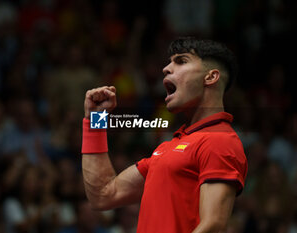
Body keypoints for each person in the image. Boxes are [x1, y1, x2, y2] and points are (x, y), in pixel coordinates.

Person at [81, 37, 248, 233]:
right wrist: (96, 121)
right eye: (169, 62)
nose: (166, 68)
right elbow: (104, 195)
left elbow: (213, 226)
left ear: (210, 77)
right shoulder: (166, 149)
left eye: (181, 61)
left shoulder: (219, 141)